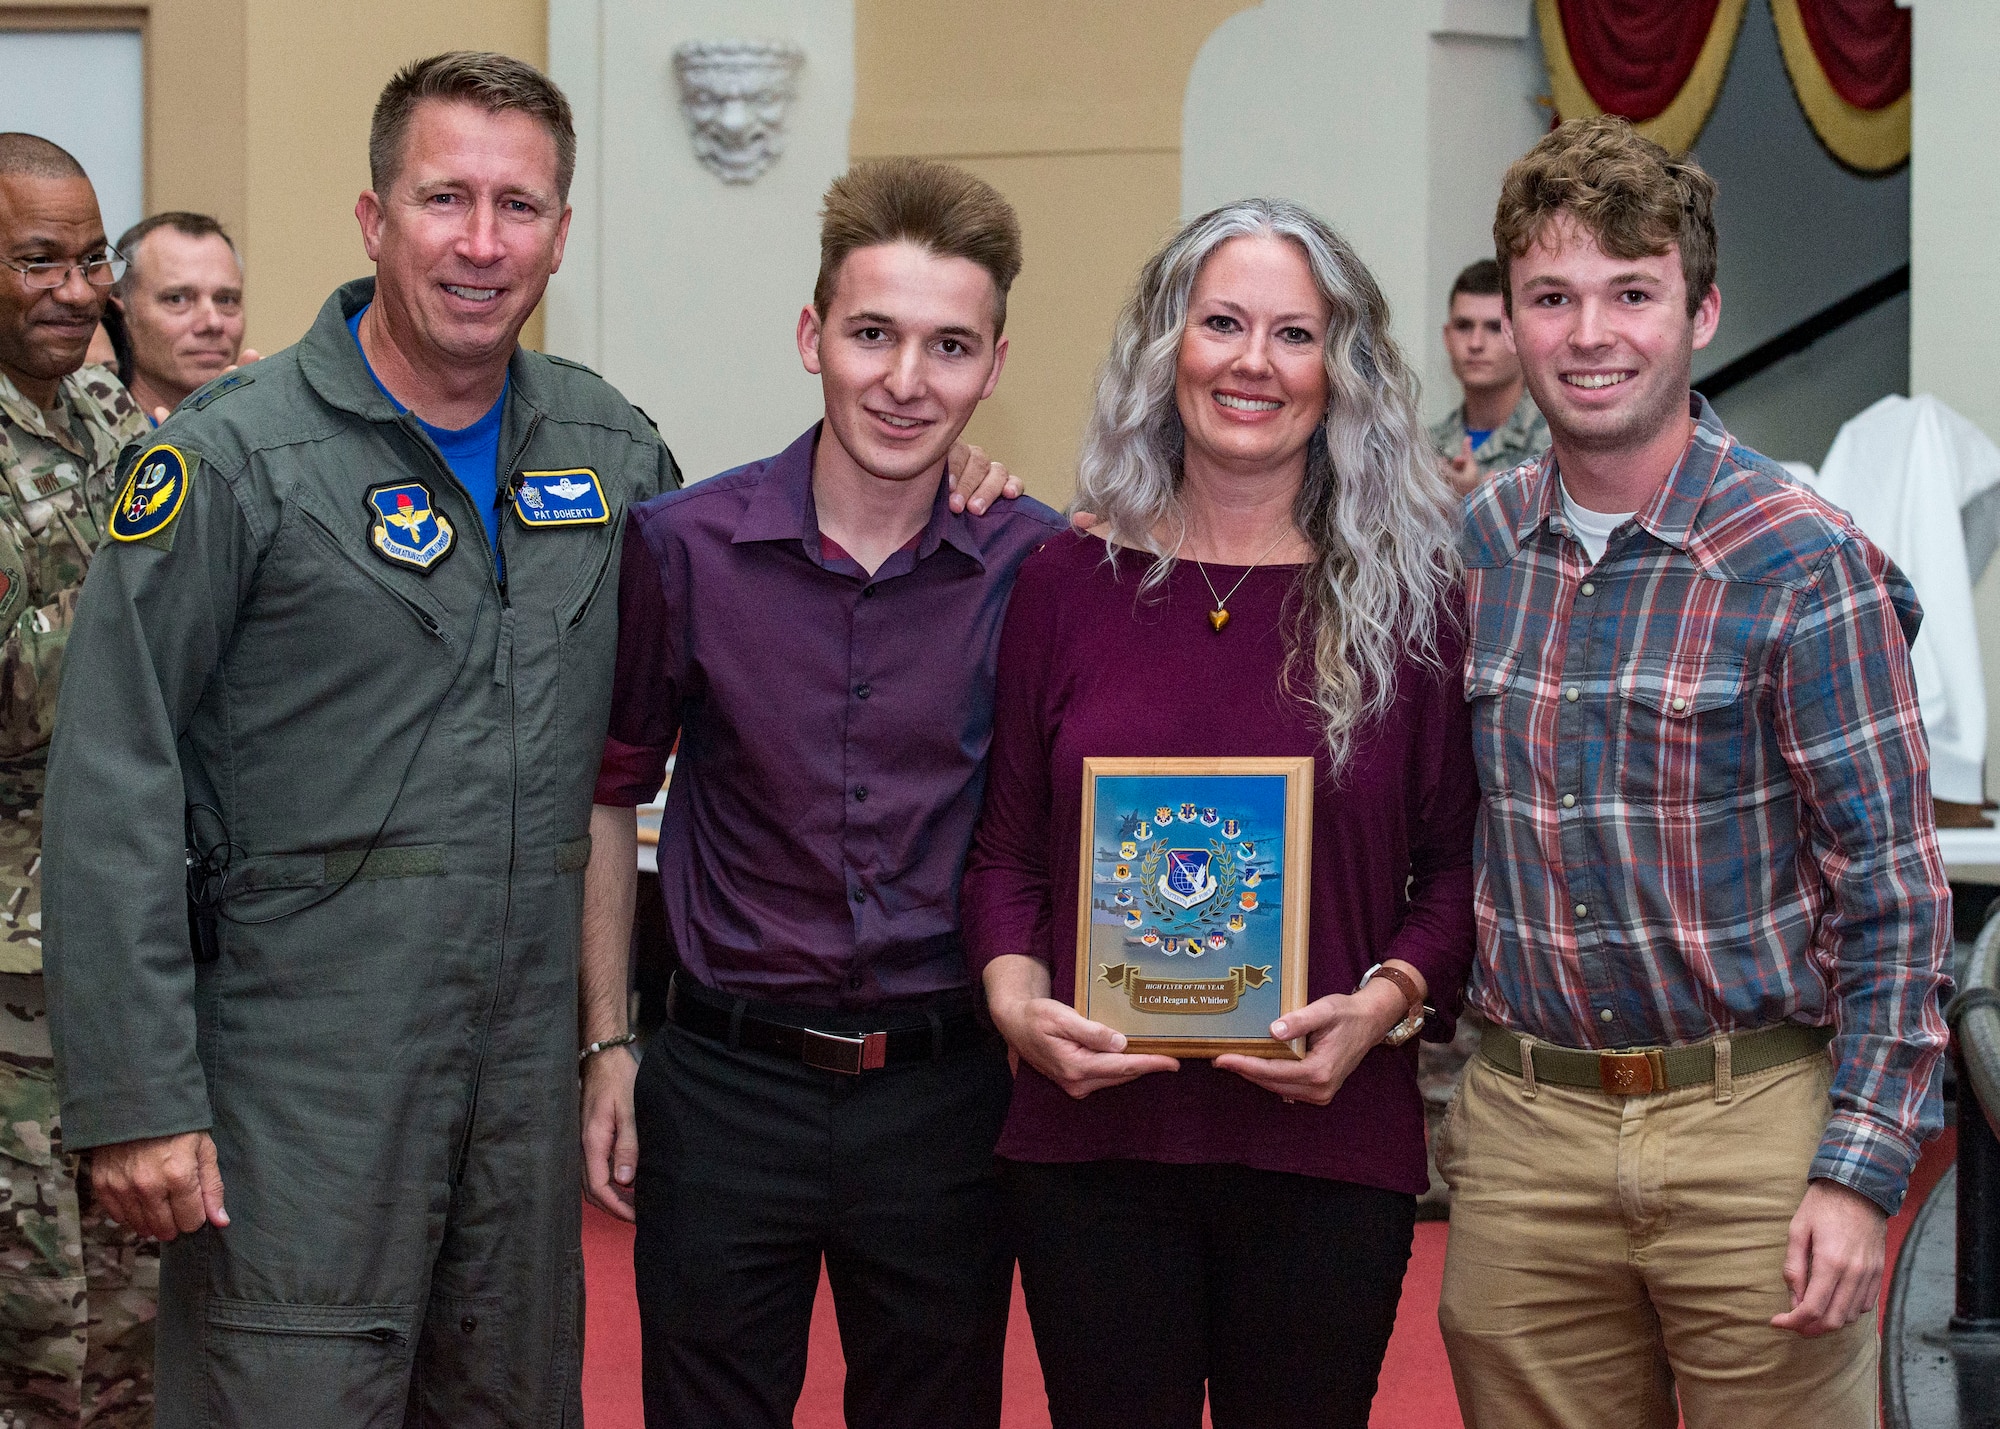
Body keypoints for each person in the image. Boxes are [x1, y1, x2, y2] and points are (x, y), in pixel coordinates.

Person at [41, 51, 684, 1427]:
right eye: (444, 196)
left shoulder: (612, 453)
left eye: (520, 206)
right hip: (297, 1084)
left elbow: (716, 668)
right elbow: (113, 773)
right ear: (373, 216)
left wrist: (965, 497)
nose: (482, 240)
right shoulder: (232, 459)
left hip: (516, 1092)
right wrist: (138, 1095)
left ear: (563, 233)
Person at [1437, 116, 1952, 1429]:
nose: (1590, 333)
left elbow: (1893, 898)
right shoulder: (1472, 550)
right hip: (1526, 1131)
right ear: (1514, 315)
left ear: (1702, 311)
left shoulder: (1804, 561)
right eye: (1552, 297)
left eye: (1632, 293)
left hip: (1753, 1134)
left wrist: (1860, 1172)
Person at [962, 199, 1478, 1429]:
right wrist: (1011, 1001)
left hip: (1327, 1142)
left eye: (1293, 334)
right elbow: (1006, 852)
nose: (1253, 362)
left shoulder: (1416, 603)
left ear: (1338, 371)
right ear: (1165, 349)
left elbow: (1456, 870)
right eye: (1222, 324)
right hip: (1093, 1141)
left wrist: (1384, 1006)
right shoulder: (1062, 581)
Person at [580, 157, 1061, 1429]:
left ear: (993, 366)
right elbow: (609, 795)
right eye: (872, 335)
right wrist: (607, 1043)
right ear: (812, 336)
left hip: (946, 1091)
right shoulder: (681, 547)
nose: (906, 382)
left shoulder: (1041, 565)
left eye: (948, 346)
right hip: (725, 1084)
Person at [0, 131, 155, 1429]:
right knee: (37, 1324)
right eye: (35, 259)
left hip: (124, 934)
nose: (71, 287)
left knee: (137, 1314)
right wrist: (146, 624)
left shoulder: (111, 412)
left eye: (90, 257)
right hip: (11, 962)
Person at [110, 211, 255, 423]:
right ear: (121, 311)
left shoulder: (261, 430)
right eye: (177, 299)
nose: (213, 323)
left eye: (226, 300)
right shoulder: (94, 437)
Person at [1428, 257, 1547, 496]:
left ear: (1518, 336)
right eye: (1463, 326)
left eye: (1494, 328)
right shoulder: (1423, 450)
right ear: (1447, 338)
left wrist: (1475, 503)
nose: (1475, 343)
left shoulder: (1556, 445)